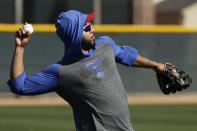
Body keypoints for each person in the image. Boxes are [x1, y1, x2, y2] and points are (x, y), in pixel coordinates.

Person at [8, 10, 165, 131]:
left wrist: (156, 66)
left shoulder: (105, 45)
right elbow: (19, 86)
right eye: (87, 27)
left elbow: (127, 55)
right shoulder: (61, 71)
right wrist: (20, 48)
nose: (93, 29)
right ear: (74, 33)